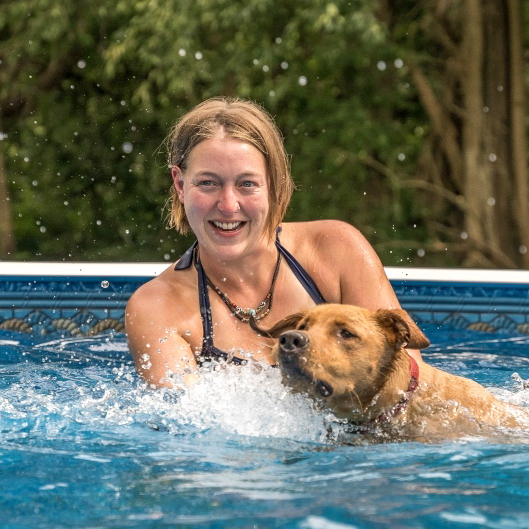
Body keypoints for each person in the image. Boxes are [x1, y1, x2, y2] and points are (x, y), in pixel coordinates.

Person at [125, 97, 422, 388]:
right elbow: (186, 429)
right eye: (208, 183)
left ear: (274, 184)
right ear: (180, 184)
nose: (228, 205)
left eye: (247, 184)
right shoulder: (156, 308)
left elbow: (410, 386)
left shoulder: (335, 251)